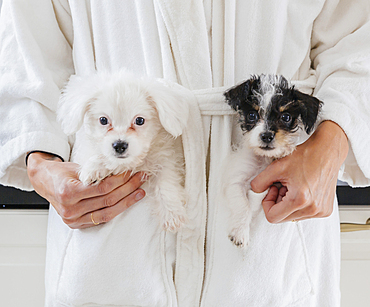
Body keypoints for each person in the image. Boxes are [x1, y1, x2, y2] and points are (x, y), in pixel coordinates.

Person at [0, 0, 369, 306]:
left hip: (274, 199)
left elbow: (358, 35)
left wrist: (333, 142)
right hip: (114, 206)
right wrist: (41, 163)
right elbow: (25, 45)